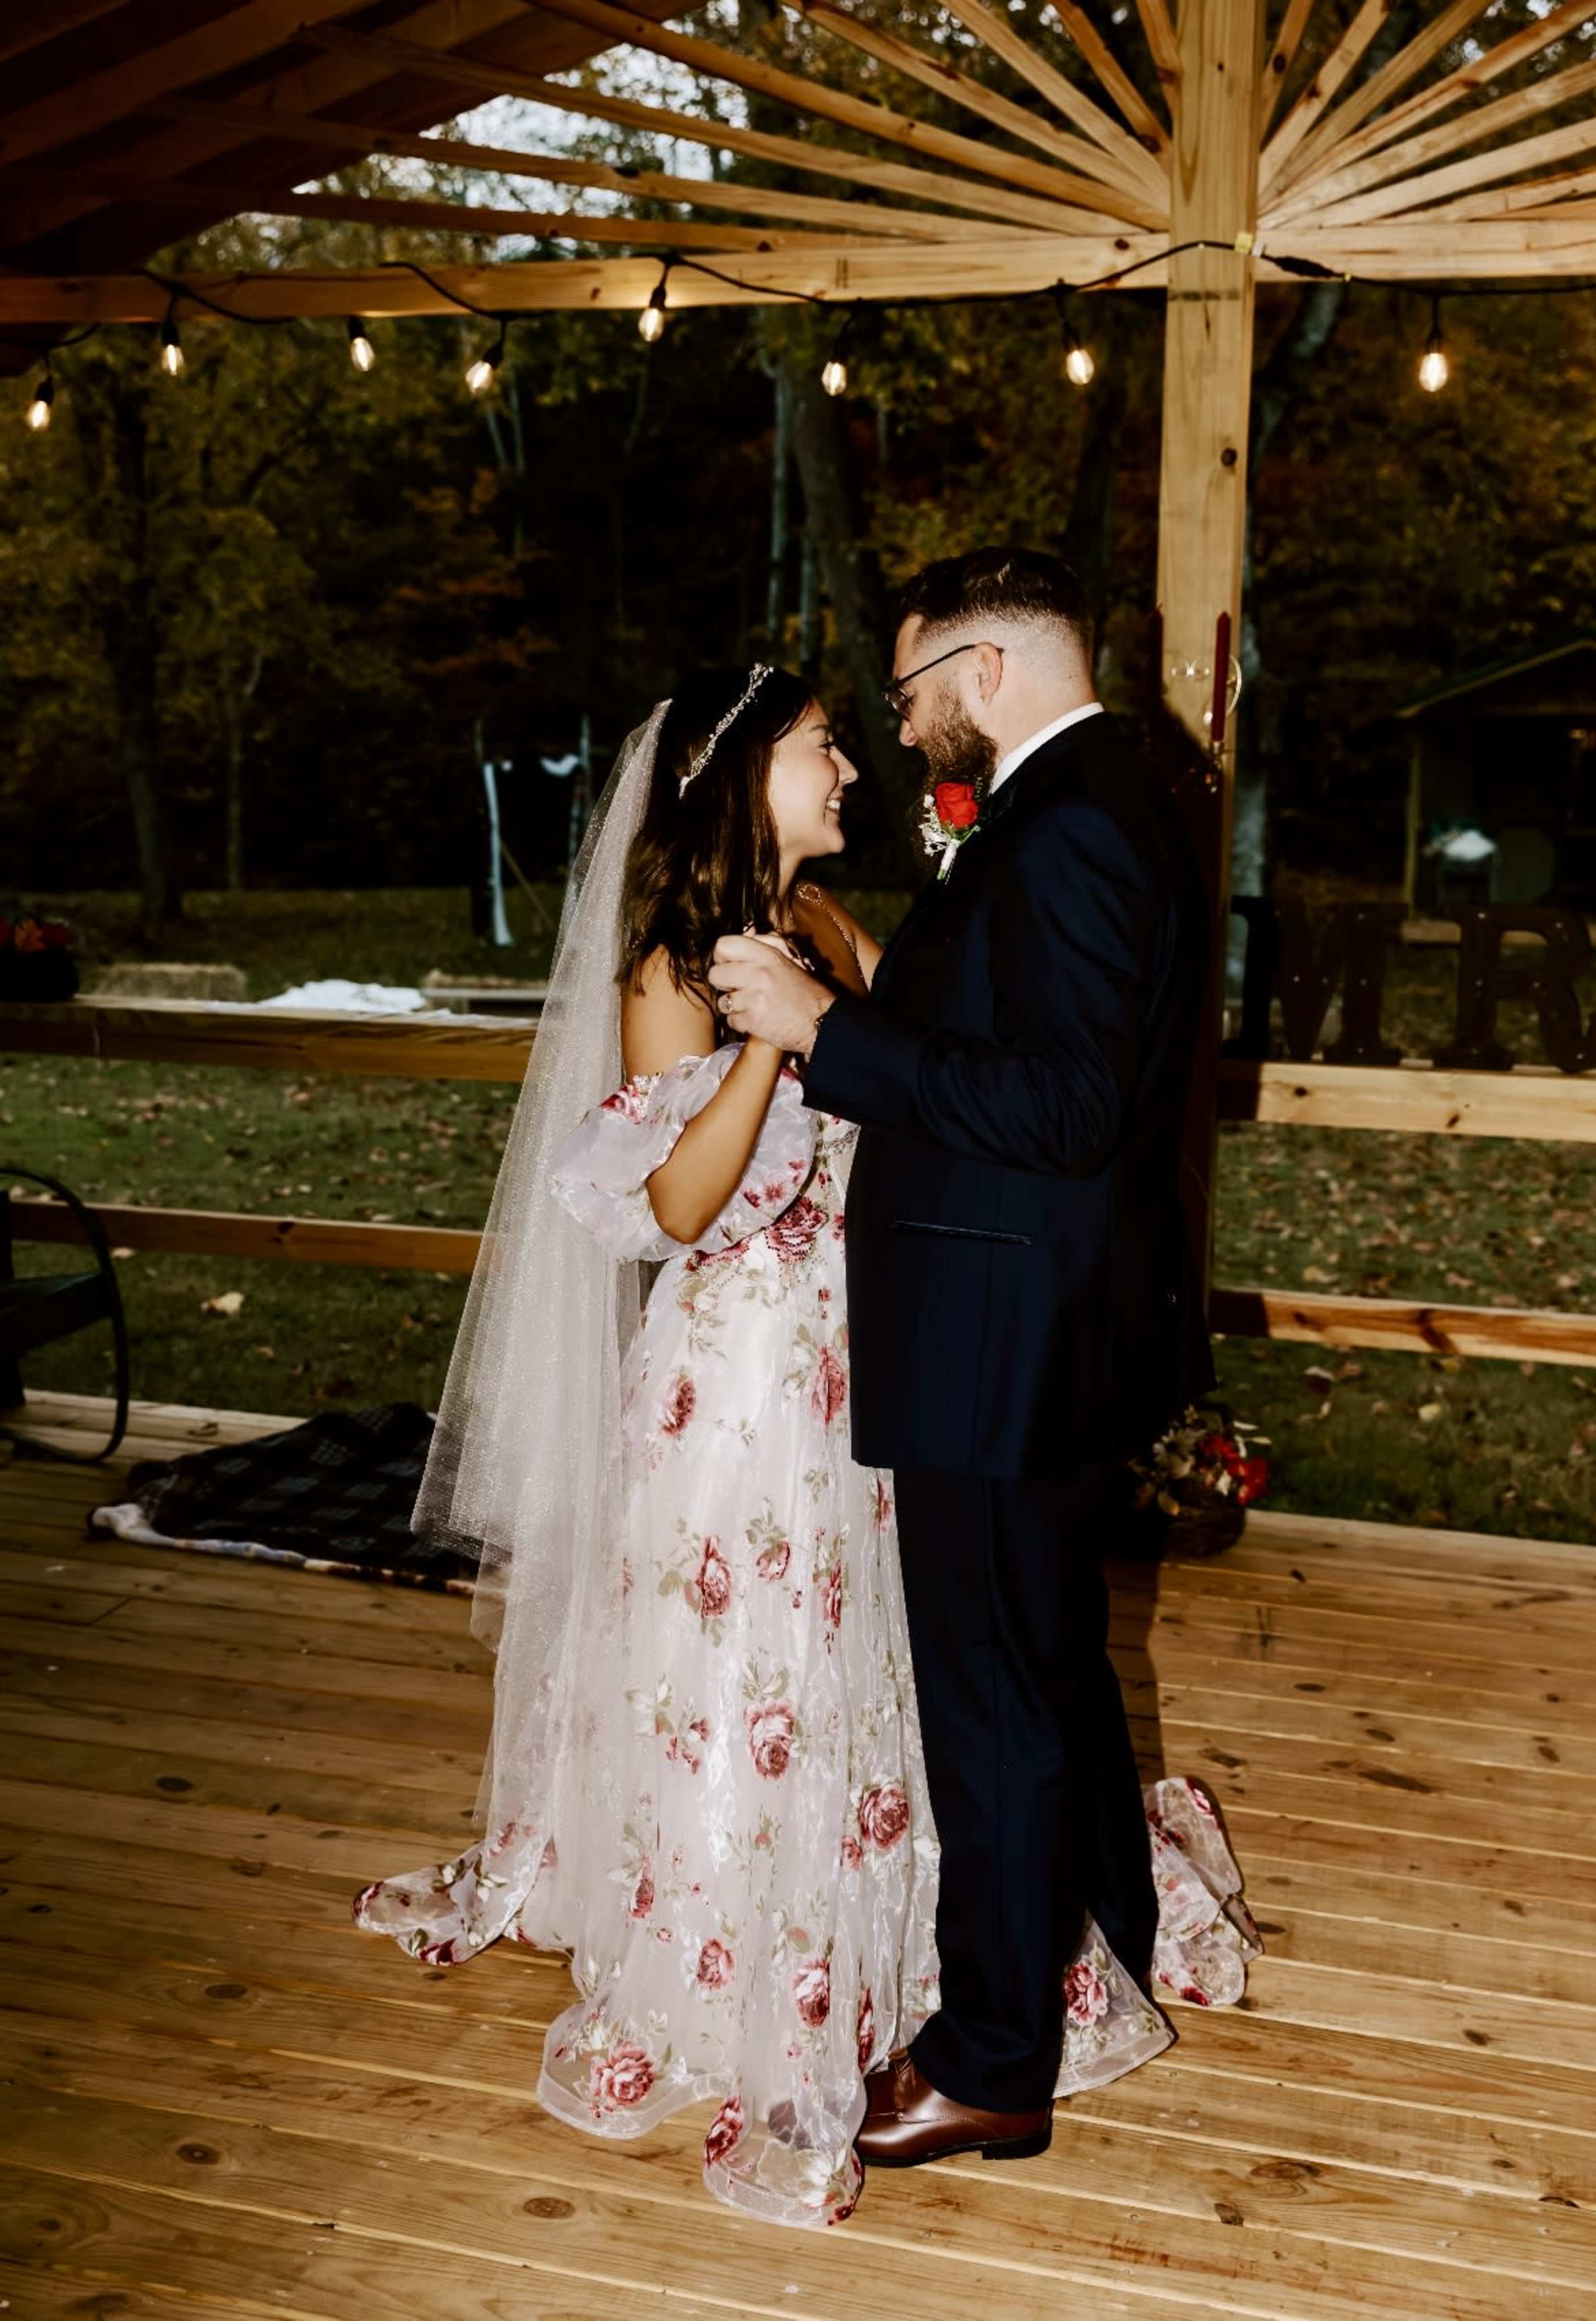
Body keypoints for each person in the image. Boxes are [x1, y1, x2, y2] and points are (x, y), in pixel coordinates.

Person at [356, 646, 1254, 2230]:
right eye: (822, 749)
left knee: (885, 1667)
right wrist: (777, 1039)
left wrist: (828, 1012)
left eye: (848, 741)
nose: (850, 772)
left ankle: (916, 1933)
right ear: (739, 776)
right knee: (747, 1657)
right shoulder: (669, 961)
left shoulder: (841, 926)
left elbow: (921, 1093)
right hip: (743, 1374)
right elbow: (672, 1210)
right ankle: (730, 1948)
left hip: (870, 1348)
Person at [709, 550, 1251, 2171]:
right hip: (1031, 1330)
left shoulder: (1074, 819)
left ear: (987, 663)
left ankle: (994, 2058)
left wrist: (828, 1036)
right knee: (1055, 1670)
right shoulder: (1077, 801)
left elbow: (1068, 1109)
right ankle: (1103, 1947)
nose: (906, 717)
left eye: (912, 685)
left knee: (996, 1702)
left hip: (1005, 1343)